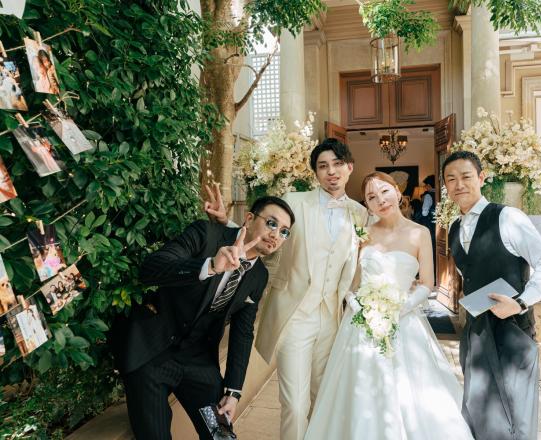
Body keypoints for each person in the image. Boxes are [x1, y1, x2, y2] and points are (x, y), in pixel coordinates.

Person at [211, 138, 368, 440]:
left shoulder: (360, 214)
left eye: (337, 164)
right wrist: (227, 224)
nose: (331, 172)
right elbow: (263, 236)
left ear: (349, 167)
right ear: (315, 173)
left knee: (324, 399)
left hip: (332, 319)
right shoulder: (294, 202)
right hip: (295, 315)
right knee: (295, 405)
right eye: (323, 166)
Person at [304, 172, 474, 440]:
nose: (380, 200)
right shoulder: (363, 234)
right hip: (360, 324)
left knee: (409, 392)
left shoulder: (420, 233)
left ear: (397, 191)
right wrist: (357, 304)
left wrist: (398, 309)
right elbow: (351, 282)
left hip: (403, 321)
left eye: (384, 192)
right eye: (371, 197)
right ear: (367, 205)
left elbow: (427, 283)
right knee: (359, 388)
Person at [109, 196, 294, 440]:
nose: (276, 235)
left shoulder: (258, 275)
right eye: (271, 223)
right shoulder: (206, 234)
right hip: (152, 353)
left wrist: (233, 392)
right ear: (249, 219)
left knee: (220, 436)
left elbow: (243, 332)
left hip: (198, 363)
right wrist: (210, 266)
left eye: (284, 231)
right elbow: (150, 268)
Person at [443, 151, 541, 440]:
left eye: (466, 176)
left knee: (514, 414)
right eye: (451, 179)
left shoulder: (508, 217)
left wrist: (520, 303)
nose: (459, 184)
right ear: (445, 186)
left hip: (512, 330)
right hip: (476, 332)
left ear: (482, 178)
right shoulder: (454, 228)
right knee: (479, 408)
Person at [420, 175, 437, 279]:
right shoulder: (439, 193)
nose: (425, 187)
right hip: (438, 225)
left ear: (429, 185)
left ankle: (429, 274)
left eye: (425, 185)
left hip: (429, 225)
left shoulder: (428, 196)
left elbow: (424, 212)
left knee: (429, 248)